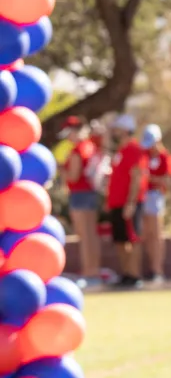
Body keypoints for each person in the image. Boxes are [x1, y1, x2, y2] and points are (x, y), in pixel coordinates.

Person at [104, 113, 149, 288]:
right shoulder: (120, 151)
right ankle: (126, 274)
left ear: (125, 130)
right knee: (120, 240)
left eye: (118, 128)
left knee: (133, 239)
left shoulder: (134, 149)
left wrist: (130, 203)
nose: (115, 131)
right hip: (116, 203)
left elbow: (137, 177)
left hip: (129, 203)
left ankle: (135, 275)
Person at [60, 116, 101, 289]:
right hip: (91, 193)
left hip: (79, 194)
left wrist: (61, 169)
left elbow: (74, 176)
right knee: (91, 235)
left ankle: (88, 272)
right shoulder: (90, 146)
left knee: (84, 236)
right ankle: (94, 270)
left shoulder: (78, 150)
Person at [140, 123, 171, 284]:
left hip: (156, 196)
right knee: (146, 234)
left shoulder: (165, 157)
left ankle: (158, 270)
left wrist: (148, 178)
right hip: (143, 195)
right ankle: (151, 269)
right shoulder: (145, 155)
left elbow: (167, 181)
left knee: (156, 233)